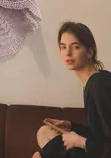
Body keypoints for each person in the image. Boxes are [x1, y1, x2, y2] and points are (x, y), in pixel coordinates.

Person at [33, 22, 111, 158]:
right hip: (98, 149)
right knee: (44, 132)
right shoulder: (93, 81)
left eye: (76, 47)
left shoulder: (99, 85)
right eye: (63, 47)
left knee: (39, 155)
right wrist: (70, 126)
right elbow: (99, 134)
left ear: (90, 52)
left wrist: (81, 142)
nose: (68, 53)